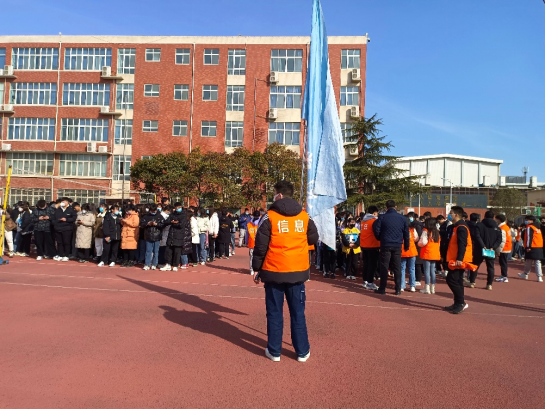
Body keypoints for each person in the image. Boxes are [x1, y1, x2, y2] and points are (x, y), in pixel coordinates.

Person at [252, 180, 318, 362]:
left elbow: (260, 246)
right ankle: (302, 351)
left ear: (279, 195)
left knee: (274, 312)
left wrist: (256, 268)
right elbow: (313, 238)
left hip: (274, 271)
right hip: (297, 271)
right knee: (298, 313)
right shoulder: (304, 216)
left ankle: (274, 351)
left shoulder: (269, 217)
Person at [373, 200, 410, 295]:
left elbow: (377, 230)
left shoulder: (382, 217)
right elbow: (406, 233)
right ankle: (398, 289)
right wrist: (406, 245)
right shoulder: (402, 218)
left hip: (385, 244)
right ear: (395, 207)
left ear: (386, 208)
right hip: (397, 244)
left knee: (384, 266)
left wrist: (380, 238)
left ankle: (382, 288)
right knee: (397, 267)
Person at [444, 206, 472, 314]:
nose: (449, 214)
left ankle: (461, 302)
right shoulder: (456, 227)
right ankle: (457, 302)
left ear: (456, 214)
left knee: (451, 280)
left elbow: (462, 244)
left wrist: (459, 258)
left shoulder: (461, 227)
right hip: (455, 258)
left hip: (459, 259)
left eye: (450, 213)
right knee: (458, 280)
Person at [468, 211, 501, 290]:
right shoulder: (497, 227)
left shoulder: (479, 225)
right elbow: (499, 239)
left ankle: (472, 282)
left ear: (485, 216)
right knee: (490, 267)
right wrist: (493, 247)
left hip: (479, 249)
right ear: (493, 217)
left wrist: (483, 246)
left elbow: (477, 236)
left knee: (475, 265)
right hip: (491, 250)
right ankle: (489, 284)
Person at [517, 215, 544, 282]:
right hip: (539, 246)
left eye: (527, 220)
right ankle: (539, 277)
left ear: (531, 220)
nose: (526, 221)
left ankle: (525, 274)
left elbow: (529, 237)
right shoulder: (538, 227)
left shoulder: (530, 227)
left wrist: (528, 246)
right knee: (537, 262)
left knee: (529, 261)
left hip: (532, 246)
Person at [418, 217, 441, 294]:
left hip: (427, 253)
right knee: (432, 271)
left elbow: (423, 242)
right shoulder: (437, 232)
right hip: (434, 253)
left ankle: (427, 287)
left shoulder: (426, 231)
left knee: (427, 271)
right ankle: (432, 287)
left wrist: (419, 244)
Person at [140, 204, 165, 270]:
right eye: (152, 211)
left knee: (156, 251)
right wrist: (148, 224)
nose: (153, 212)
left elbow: (163, 224)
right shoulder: (146, 216)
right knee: (148, 251)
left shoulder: (160, 216)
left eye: (154, 211)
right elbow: (141, 224)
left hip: (157, 235)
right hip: (148, 235)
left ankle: (154, 264)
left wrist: (157, 224)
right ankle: (147, 264)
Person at [52, 197, 77, 262]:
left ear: (68, 202)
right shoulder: (57, 210)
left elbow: (74, 218)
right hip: (58, 228)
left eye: (64, 201)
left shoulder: (71, 210)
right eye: (62, 201)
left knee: (66, 242)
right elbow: (53, 218)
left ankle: (66, 255)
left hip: (67, 228)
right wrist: (55, 223)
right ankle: (61, 254)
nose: (63, 202)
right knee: (59, 242)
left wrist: (66, 219)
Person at [400, 214, 419, 292]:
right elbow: (416, 238)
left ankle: (402, 286)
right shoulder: (412, 229)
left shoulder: (400, 228)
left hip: (402, 251)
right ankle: (412, 286)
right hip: (411, 250)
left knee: (402, 269)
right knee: (412, 269)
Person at [494, 213, 511, 283]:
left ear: (499, 220)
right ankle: (503, 275)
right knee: (503, 262)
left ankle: (504, 276)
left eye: (496, 219)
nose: (496, 220)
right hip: (507, 247)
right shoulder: (506, 227)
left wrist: (499, 250)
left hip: (504, 248)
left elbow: (502, 240)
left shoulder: (502, 228)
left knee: (503, 263)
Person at [247, 210, 260, 276]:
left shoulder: (249, 224)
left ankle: (252, 270)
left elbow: (247, 234)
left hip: (251, 242)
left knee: (252, 257)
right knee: (259, 257)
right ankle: (258, 270)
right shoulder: (261, 223)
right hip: (259, 243)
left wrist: (246, 242)